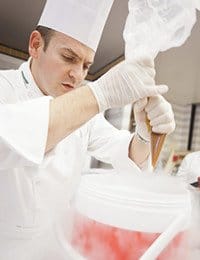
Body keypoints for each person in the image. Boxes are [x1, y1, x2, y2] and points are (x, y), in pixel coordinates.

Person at [0, 0, 175, 259]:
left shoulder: (83, 112)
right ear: (36, 45)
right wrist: (100, 93)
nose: (77, 75)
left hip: (59, 246)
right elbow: (13, 137)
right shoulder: (5, 88)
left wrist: (144, 132)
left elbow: (126, 155)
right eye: (68, 57)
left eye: (86, 66)